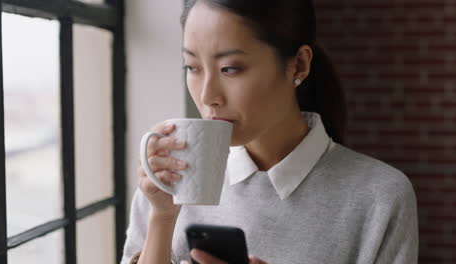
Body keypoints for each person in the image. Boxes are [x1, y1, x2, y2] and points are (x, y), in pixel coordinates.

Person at [121, 0, 419, 263]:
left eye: (230, 68)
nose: (207, 95)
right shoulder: (173, 178)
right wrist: (161, 217)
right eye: (192, 67)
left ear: (298, 65)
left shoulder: (379, 195)